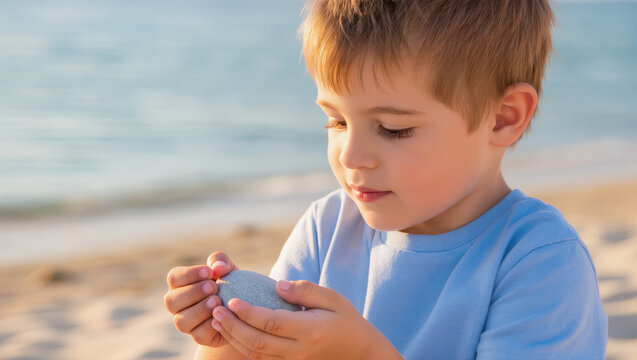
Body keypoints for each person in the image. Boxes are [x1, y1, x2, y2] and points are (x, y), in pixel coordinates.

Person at [164, 0, 608, 358]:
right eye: (336, 122)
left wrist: (361, 352)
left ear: (502, 118)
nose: (352, 156)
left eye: (394, 129)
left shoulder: (539, 260)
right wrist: (231, 335)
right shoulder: (328, 228)